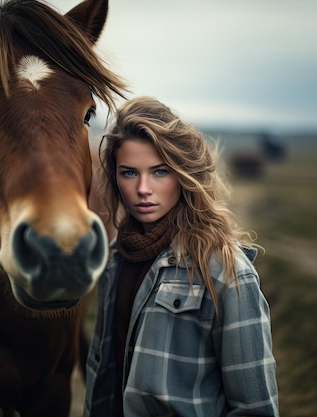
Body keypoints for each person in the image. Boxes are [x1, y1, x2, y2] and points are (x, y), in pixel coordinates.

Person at [83, 96, 279, 417]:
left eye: (159, 172)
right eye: (129, 173)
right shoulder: (117, 258)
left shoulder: (225, 270)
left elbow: (255, 408)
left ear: (183, 175)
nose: (143, 188)